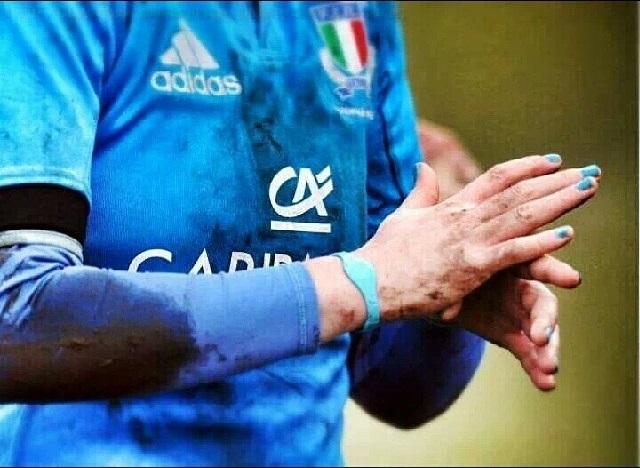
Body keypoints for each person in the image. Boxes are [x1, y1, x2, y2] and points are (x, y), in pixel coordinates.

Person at [0, 2, 600, 466]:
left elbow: (397, 388)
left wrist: (450, 289)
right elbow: (14, 318)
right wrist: (364, 281)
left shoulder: (351, 15)